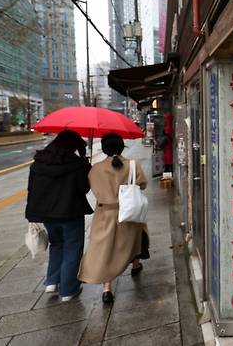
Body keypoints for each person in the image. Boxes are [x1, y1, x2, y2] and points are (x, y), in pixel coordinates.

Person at [78, 133, 149, 304]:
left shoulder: (95, 168)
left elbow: (89, 188)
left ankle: (107, 288)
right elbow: (143, 184)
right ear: (121, 146)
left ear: (104, 148)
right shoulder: (132, 165)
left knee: (105, 250)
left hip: (104, 214)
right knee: (135, 240)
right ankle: (136, 264)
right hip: (129, 213)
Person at [25, 130, 92, 302]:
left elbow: (31, 188)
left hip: (46, 214)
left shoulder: (38, 163)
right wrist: (85, 167)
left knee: (56, 245)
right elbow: (84, 189)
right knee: (72, 247)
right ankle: (68, 290)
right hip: (70, 212)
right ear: (72, 147)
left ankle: (52, 282)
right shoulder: (76, 164)